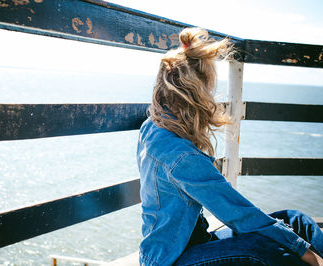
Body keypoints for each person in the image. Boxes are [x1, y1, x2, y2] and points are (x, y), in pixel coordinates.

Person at [136, 27, 323, 266]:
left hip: (188, 245)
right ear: (196, 93)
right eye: (208, 88)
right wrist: (304, 252)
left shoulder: (151, 126)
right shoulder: (182, 156)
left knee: (294, 220)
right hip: (172, 259)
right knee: (268, 250)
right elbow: (239, 214)